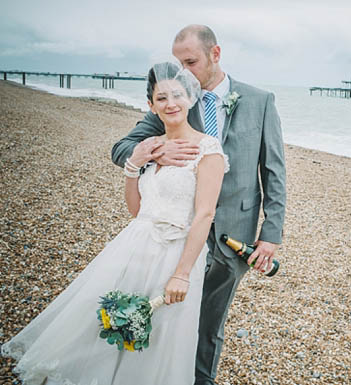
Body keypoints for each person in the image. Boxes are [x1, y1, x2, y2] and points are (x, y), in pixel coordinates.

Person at [1, 62, 228, 384]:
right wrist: (134, 165)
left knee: (159, 334)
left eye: (177, 95)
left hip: (174, 253)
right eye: (161, 98)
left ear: (191, 99)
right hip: (133, 245)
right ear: (151, 105)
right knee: (109, 323)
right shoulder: (151, 146)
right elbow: (137, 210)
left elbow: (205, 214)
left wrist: (182, 274)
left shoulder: (208, 149)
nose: (170, 104)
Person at [111, 25, 286, 384]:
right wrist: (157, 149)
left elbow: (274, 170)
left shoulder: (259, 100)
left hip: (232, 237)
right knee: (164, 318)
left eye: (190, 62)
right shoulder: (174, 101)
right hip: (176, 233)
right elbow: (121, 149)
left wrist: (270, 234)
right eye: (177, 63)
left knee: (209, 325)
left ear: (215, 54)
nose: (181, 72)